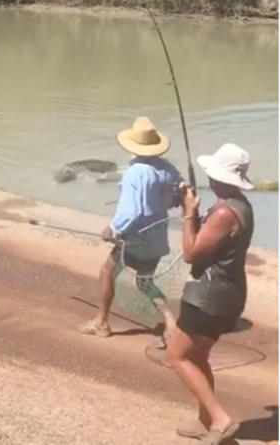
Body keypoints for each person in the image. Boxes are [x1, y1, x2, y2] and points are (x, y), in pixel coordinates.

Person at [167, 143, 255, 445]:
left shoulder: (224, 213)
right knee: (199, 355)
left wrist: (189, 213)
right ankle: (207, 422)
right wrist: (191, 211)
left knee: (176, 356)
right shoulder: (241, 205)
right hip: (227, 292)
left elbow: (191, 254)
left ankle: (220, 419)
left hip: (209, 295)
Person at [79, 116, 183, 349]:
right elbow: (179, 196)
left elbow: (131, 212)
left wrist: (112, 230)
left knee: (107, 271)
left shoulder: (135, 173)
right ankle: (170, 321)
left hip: (135, 238)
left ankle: (102, 322)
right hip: (158, 234)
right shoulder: (169, 169)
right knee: (144, 282)